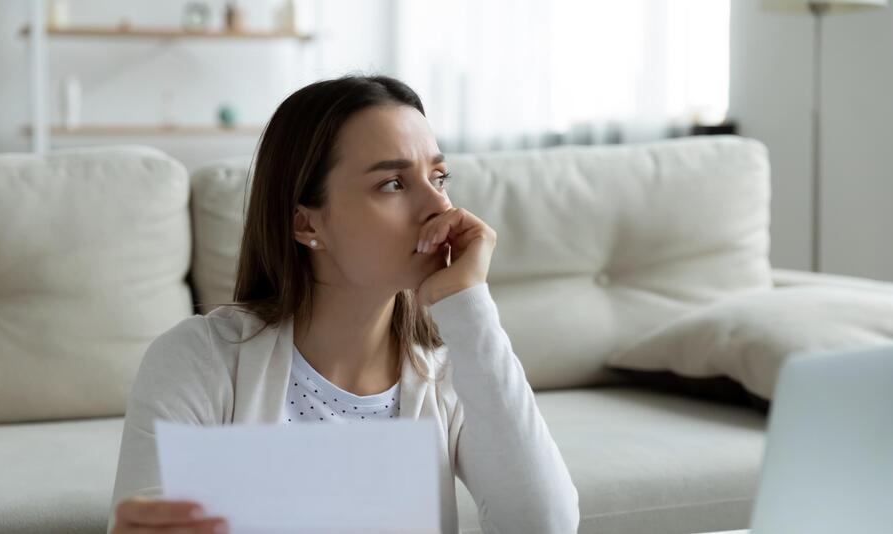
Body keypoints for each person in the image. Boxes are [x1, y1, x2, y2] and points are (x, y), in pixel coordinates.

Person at [108, 74, 579, 534]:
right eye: (393, 184)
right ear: (307, 225)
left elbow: (546, 525)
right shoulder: (198, 361)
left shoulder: (452, 368)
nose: (439, 206)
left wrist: (467, 303)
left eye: (439, 176)